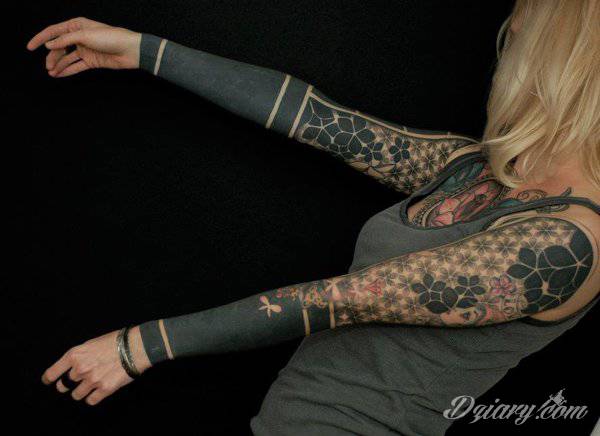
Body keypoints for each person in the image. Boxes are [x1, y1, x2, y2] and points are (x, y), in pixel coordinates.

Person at [27, 0, 600, 434]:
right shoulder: (477, 167)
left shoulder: (568, 242)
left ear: (554, 63)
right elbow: (316, 117)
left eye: (517, 34)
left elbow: (344, 299)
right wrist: (144, 51)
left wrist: (141, 346)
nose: (504, 47)